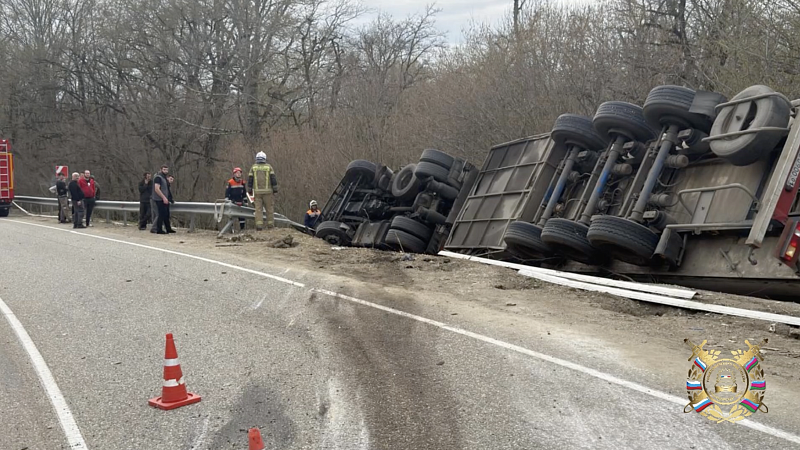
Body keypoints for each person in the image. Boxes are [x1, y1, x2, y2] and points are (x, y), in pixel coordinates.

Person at [247, 151, 278, 230]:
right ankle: (270, 225)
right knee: (269, 209)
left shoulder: (253, 167)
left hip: (257, 192)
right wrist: (275, 189)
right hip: (268, 192)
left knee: (258, 210)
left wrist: (249, 189)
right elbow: (273, 179)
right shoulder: (269, 167)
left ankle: (259, 226)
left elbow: (250, 180)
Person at [151, 165, 175, 234]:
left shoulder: (164, 178)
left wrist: (169, 198)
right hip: (159, 199)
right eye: (164, 170)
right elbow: (156, 189)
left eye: (166, 170)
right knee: (161, 214)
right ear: (161, 170)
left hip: (165, 199)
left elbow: (167, 190)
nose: (166, 171)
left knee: (166, 214)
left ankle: (168, 228)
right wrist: (163, 197)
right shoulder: (158, 177)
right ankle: (159, 229)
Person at [225, 167, 247, 231]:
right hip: (232, 202)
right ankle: (231, 230)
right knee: (231, 216)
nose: (239, 174)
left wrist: (245, 202)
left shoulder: (242, 182)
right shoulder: (230, 182)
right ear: (234, 174)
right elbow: (227, 193)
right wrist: (228, 201)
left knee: (242, 217)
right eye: (237, 173)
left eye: (240, 173)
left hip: (240, 202)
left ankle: (242, 229)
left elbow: (244, 193)